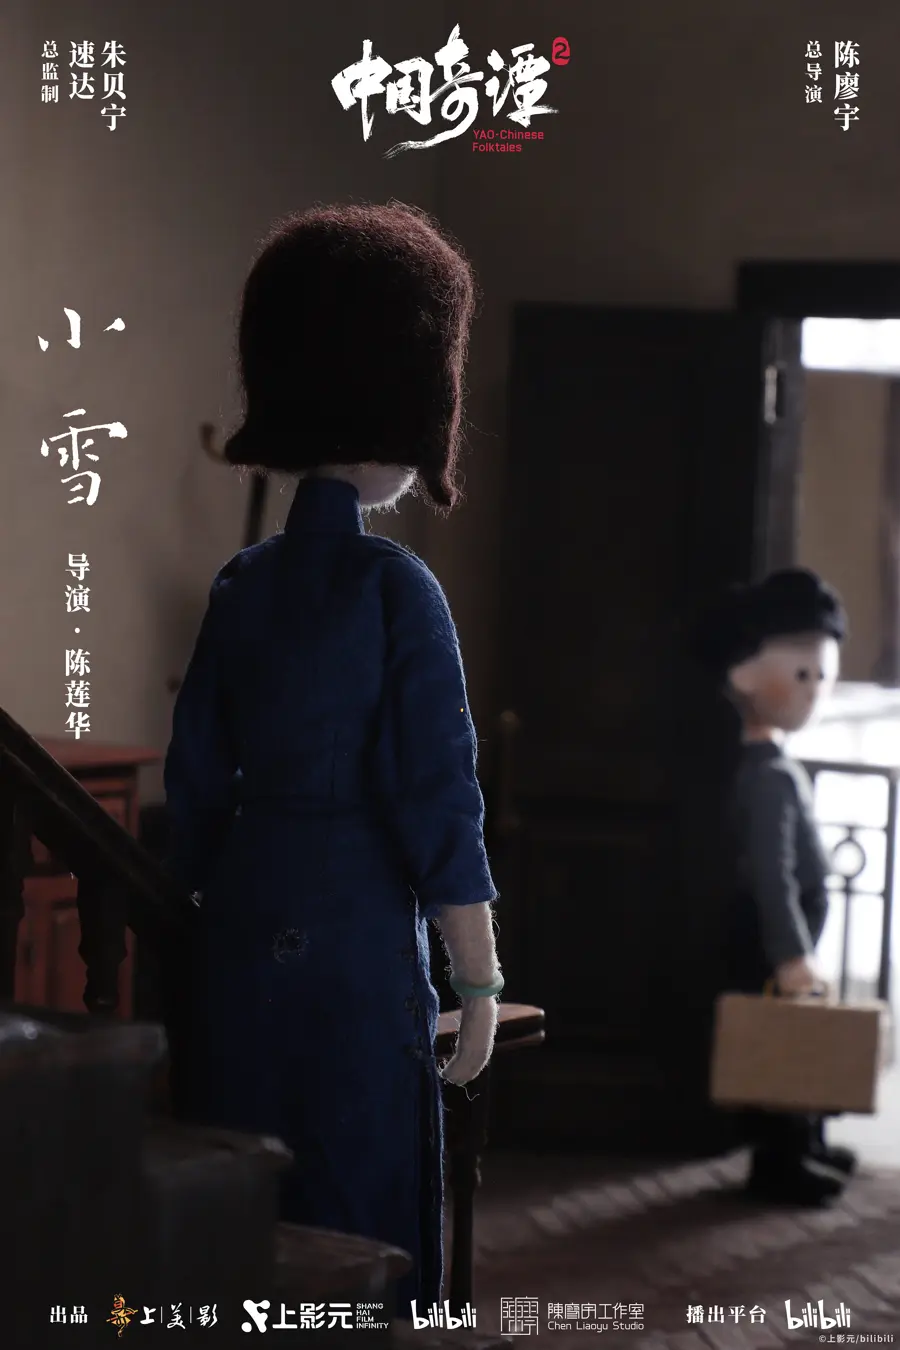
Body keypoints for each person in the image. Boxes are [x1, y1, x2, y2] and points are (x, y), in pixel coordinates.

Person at [163, 203, 502, 1308]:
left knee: (243, 1192)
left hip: (239, 919)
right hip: (356, 925)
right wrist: (479, 977)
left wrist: (190, 923)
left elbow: (193, 785)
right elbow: (438, 798)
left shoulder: (242, 584)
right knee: (359, 1190)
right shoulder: (398, 588)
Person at [692, 567, 856, 1205]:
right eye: (803, 675)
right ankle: (781, 1158)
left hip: (784, 935)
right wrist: (791, 955)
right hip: (771, 940)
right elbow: (772, 872)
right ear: (743, 676)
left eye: (822, 677)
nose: (814, 691)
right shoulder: (764, 775)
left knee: (800, 1039)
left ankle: (807, 1143)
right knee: (782, 1047)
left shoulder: (772, 764)